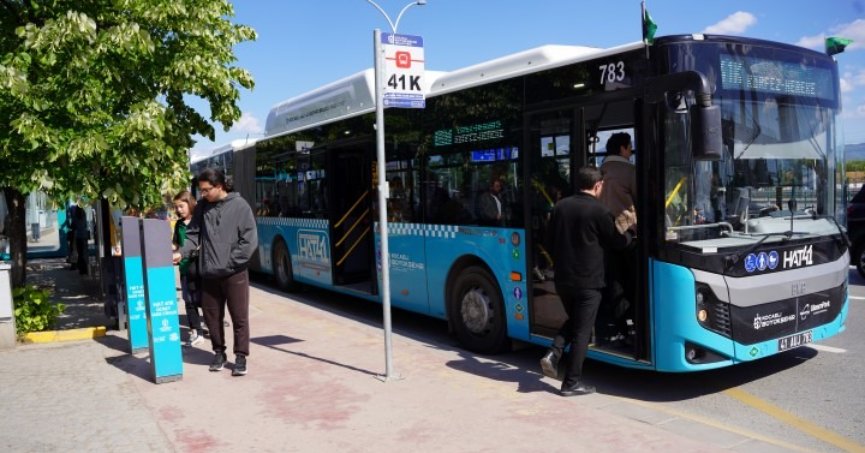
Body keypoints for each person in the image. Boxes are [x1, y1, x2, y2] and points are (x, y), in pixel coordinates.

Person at [540, 167, 633, 396]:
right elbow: (617, 242)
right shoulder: (600, 211)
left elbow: (548, 241)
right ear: (598, 185)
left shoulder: (560, 207)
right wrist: (629, 232)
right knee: (582, 331)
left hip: (562, 279)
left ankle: (553, 352)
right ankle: (571, 382)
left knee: (576, 321)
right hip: (589, 281)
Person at [173, 168, 258, 376]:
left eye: (205, 190)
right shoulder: (202, 207)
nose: (202, 194)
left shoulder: (240, 206)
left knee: (239, 317)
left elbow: (249, 241)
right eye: (201, 190)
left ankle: (240, 357)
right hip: (209, 273)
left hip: (234, 273)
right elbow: (193, 235)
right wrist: (181, 253)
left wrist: (229, 262)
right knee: (212, 317)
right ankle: (219, 352)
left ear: (219, 187)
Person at [598, 132, 637, 343]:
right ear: (622, 148)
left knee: (614, 281)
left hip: (603, 237)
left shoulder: (599, 171)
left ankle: (619, 325)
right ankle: (632, 323)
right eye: (630, 147)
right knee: (632, 281)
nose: (631, 151)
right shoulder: (628, 171)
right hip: (626, 235)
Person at [172, 191, 205, 347]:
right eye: (176, 207)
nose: (179, 210)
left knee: (204, 300)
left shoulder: (199, 221)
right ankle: (196, 331)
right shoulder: (178, 224)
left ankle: (208, 327)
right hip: (185, 268)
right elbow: (176, 245)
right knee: (189, 300)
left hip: (200, 268)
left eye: (181, 206)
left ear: (190, 204)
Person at [72, 206, 90, 275]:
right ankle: (86, 269)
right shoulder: (84, 214)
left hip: (78, 236)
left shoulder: (75, 215)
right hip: (84, 235)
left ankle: (81, 269)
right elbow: (85, 224)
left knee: (80, 253)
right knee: (84, 253)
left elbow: (73, 225)